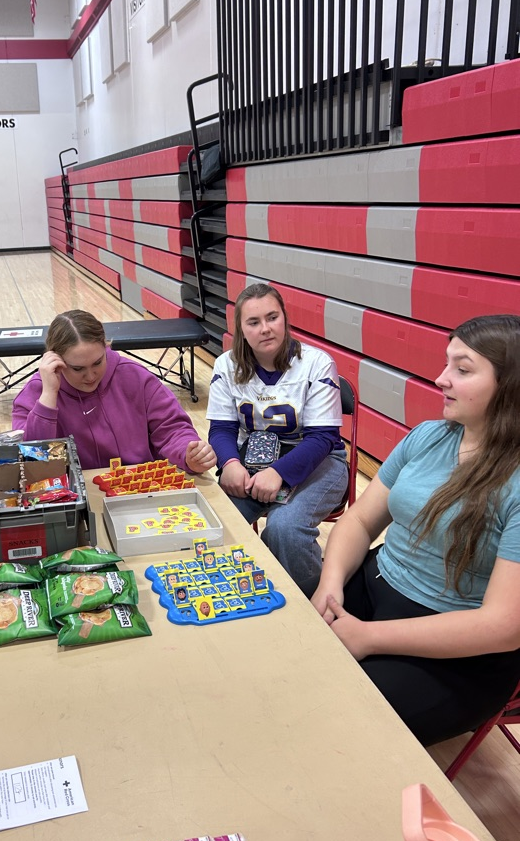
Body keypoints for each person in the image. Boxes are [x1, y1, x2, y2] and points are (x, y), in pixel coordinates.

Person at [311, 314, 520, 746]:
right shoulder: (428, 436)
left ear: (510, 386)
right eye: (446, 363)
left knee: (338, 721)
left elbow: (503, 625)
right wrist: (330, 586)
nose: (442, 379)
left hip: (457, 649)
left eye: (462, 369)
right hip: (377, 586)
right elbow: (360, 520)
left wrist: (368, 637)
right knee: (284, 645)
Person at [207, 283, 348, 595]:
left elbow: (323, 438)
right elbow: (221, 429)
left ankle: (314, 604)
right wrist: (229, 463)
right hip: (253, 456)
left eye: (272, 317)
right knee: (218, 520)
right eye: (253, 322)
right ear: (241, 330)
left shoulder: (317, 363)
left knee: (285, 529)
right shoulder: (226, 365)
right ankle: (242, 595)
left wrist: (279, 472)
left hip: (320, 460)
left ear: (285, 318)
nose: (265, 328)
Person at [11, 309, 216, 473]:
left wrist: (188, 453)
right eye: (78, 368)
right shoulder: (37, 392)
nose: (90, 376)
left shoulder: (134, 377)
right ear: (56, 360)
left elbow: (172, 428)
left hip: (137, 487)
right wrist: (48, 396)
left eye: (97, 362)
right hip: (73, 495)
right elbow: (33, 462)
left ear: (106, 346)